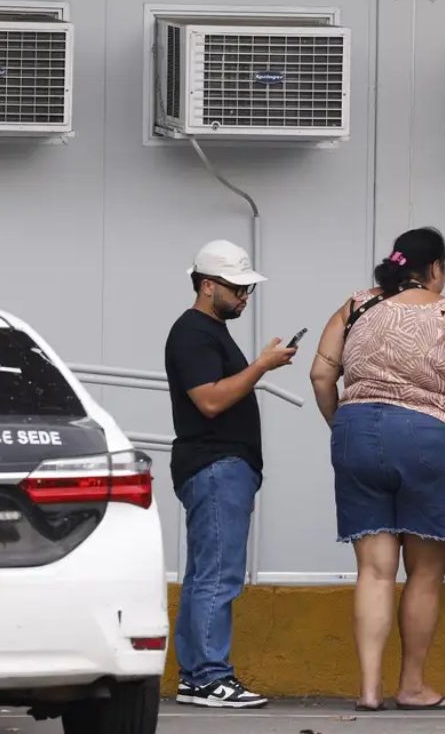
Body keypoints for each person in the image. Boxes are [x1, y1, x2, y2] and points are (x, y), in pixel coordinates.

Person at [308, 227, 445, 713]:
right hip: (426, 438)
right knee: (423, 571)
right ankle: (412, 685)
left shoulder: (354, 307)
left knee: (374, 571)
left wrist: (343, 424)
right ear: (436, 268)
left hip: (356, 431)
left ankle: (370, 689)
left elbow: (319, 375)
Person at [164, 239, 296, 709]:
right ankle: (208, 677)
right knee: (218, 575)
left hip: (218, 466)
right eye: (237, 289)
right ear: (206, 286)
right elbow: (211, 400)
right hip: (216, 465)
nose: (244, 297)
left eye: (247, 290)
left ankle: (196, 675)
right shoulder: (194, 333)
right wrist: (262, 365)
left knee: (206, 572)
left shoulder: (204, 330)